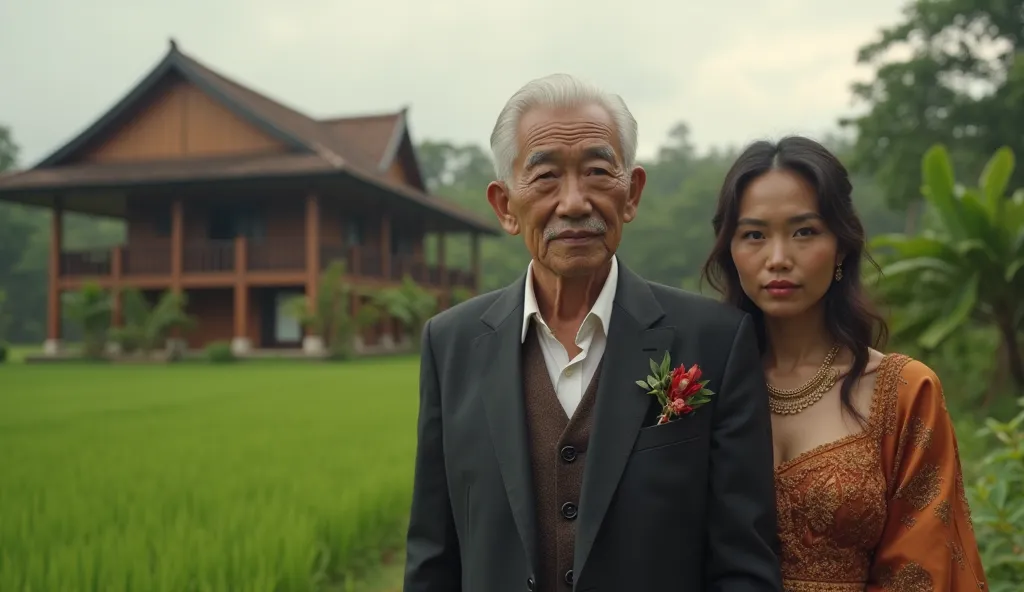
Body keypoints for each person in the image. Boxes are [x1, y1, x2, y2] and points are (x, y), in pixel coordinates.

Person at [402, 73, 783, 592]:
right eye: (545, 177)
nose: (575, 202)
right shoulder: (451, 345)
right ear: (504, 207)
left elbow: (743, 563)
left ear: (632, 193)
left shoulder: (715, 341)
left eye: (599, 171)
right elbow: (433, 557)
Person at [701, 135, 989, 591]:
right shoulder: (697, 387)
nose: (778, 259)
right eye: (754, 235)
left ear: (841, 247)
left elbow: (923, 568)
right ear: (730, 250)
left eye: (804, 232)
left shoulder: (903, 392)